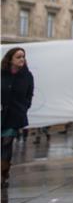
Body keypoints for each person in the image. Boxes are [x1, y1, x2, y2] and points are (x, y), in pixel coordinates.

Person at [1, 47, 34, 188]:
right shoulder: (2, 74)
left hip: (14, 116)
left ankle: (3, 174)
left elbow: (29, 95)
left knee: (7, 143)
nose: (22, 59)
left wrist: (24, 107)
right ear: (10, 59)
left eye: (23, 57)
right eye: (18, 57)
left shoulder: (27, 76)